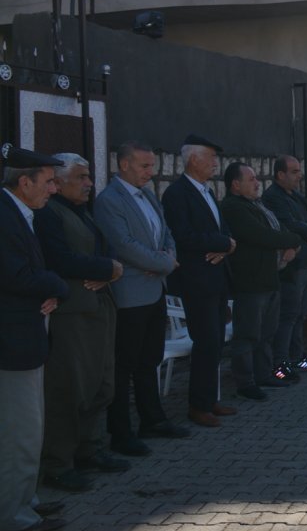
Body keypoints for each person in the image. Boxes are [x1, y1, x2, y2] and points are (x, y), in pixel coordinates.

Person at [33, 153, 127, 493]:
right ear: (57, 182)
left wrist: (107, 271)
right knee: (69, 388)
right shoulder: (48, 214)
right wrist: (106, 269)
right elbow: (58, 259)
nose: (89, 183)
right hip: (71, 314)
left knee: (101, 383)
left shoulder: (81, 212)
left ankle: (90, 449)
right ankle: (58, 464)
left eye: (89, 176)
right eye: (82, 177)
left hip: (99, 308)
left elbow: (99, 253)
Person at [94, 143, 187, 458]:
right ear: (123, 165)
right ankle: (121, 432)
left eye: (152, 166)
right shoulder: (110, 200)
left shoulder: (148, 195)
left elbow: (166, 234)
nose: (151, 173)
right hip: (130, 295)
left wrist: (168, 256)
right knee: (124, 364)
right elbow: (124, 244)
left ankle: (153, 420)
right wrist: (162, 263)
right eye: (144, 166)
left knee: (149, 359)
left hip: (154, 289)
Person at [0, 145, 70, 531]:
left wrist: (50, 288)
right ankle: (14, 516)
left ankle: (25, 500)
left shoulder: (20, 214)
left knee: (29, 431)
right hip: (13, 344)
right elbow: (17, 276)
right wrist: (58, 285)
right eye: (48, 182)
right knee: (18, 435)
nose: (54, 189)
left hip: (25, 339)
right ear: (24, 182)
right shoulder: (4, 217)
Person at [161, 135, 237, 428]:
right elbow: (183, 236)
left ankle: (209, 399)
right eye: (211, 158)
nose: (215, 164)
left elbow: (223, 231)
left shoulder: (206, 191)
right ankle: (198, 405)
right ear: (194, 159)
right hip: (197, 280)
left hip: (216, 278)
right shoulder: (177, 194)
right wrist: (221, 243)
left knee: (216, 342)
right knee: (205, 341)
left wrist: (226, 245)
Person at [221, 162, 301, 401]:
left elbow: (279, 229)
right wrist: (292, 239)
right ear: (235, 184)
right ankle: (245, 382)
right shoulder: (233, 207)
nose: (257, 183)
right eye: (251, 179)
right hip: (250, 282)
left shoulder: (256, 205)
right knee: (247, 335)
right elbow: (261, 236)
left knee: (267, 332)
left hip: (270, 278)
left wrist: (290, 241)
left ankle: (264, 373)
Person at [261, 155, 307, 375]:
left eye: (299, 171)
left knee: (301, 313)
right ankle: (281, 362)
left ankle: (297, 357)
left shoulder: (296, 196)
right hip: (291, 267)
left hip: (305, 264)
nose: (299, 176)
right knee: (288, 315)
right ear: (280, 174)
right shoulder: (272, 197)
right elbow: (290, 224)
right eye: (294, 171)